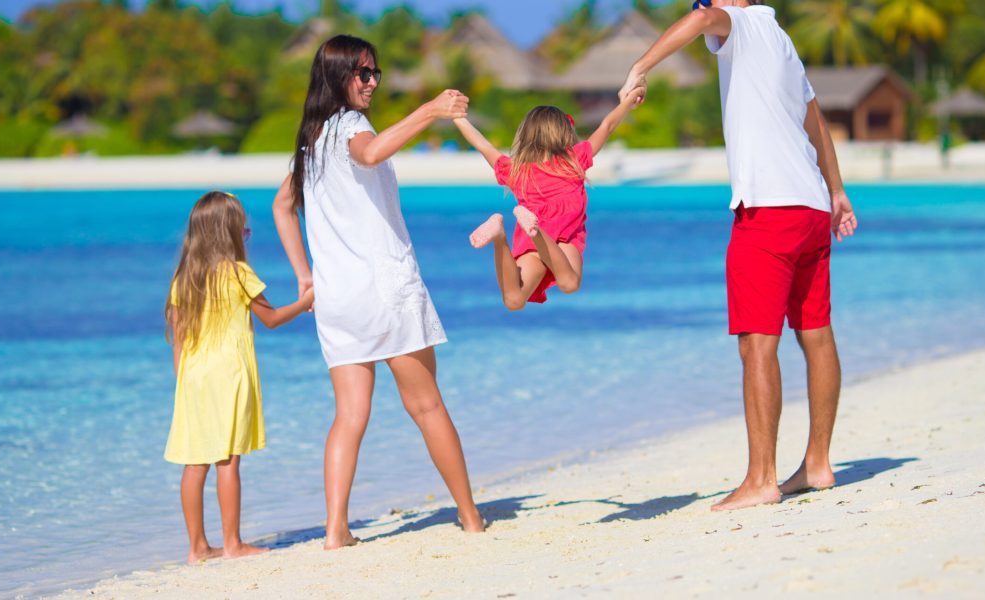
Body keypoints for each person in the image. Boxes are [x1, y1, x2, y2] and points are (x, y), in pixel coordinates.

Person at [619, 0, 858, 510]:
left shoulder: (740, 24)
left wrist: (640, 67)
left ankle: (762, 479)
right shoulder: (783, 41)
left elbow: (705, 19)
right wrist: (837, 192)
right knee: (816, 335)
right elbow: (816, 126)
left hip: (768, 211)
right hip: (812, 207)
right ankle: (817, 464)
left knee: (756, 345)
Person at [271, 34, 486, 549]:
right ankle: (471, 517)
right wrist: (430, 110)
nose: (370, 82)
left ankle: (335, 531)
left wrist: (305, 276)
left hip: (339, 298)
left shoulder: (311, 140)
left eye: (374, 73)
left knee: (349, 415)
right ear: (337, 77)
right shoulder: (349, 125)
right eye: (361, 73)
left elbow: (283, 206)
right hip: (384, 288)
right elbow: (370, 154)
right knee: (427, 406)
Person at [164, 191, 315, 563]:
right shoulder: (239, 273)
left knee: (194, 461)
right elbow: (273, 318)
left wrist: (182, 381)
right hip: (229, 375)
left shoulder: (184, 278)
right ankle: (232, 544)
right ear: (228, 233)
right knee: (228, 460)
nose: (246, 232)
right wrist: (308, 302)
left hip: (192, 379)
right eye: (242, 228)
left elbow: (178, 338)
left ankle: (197, 548)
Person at [453, 92, 640, 309]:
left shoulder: (516, 170)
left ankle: (500, 237)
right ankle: (536, 231)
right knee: (569, 283)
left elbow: (483, 145)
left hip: (530, 247)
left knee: (514, 301)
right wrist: (627, 103)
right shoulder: (574, 161)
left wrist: (458, 117)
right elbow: (607, 126)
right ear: (563, 132)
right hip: (564, 241)